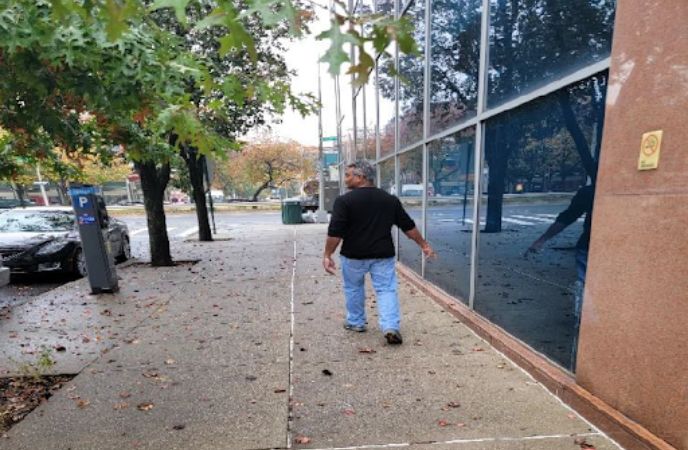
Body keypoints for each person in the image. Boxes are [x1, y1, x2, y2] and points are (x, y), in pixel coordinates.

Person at [323, 160, 436, 345]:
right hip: (383, 255)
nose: (345, 179)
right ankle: (390, 326)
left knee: (353, 288)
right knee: (386, 289)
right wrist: (423, 244)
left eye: (348, 175)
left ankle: (356, 322)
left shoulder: (344, 201)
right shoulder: (389, 200)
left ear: (361, 177)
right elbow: (408, 227)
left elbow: (335, 232)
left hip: (353, 255)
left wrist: (327, 255)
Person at [525, 183, 595, 368]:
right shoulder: (593, 192)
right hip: (590, 248)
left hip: (591, 248)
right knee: (588, 287)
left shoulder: (591, 191)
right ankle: (587, 324)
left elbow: (568, 217)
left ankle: (587, 323)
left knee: (587, 287)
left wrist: (541, 240)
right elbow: (568, 217)